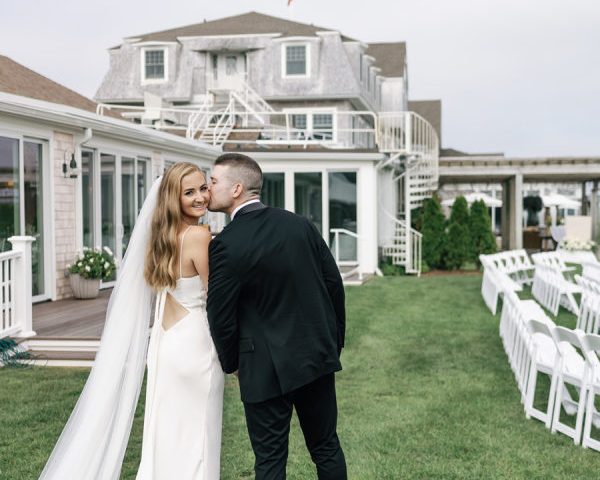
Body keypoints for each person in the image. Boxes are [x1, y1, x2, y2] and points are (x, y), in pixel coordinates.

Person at [39, 162, 224, 480]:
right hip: (196, 343)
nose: (200, 197)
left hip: (166, 344)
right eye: (189, 192)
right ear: (172, 198)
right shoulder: (198, 235)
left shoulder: (161, 239)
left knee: (165, 432)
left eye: (203, 188)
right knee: (199, 435)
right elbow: (218, 298)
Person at [206, 153, 347, 480]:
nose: (208, 188)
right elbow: (333, 284)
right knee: (326, 447)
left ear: (237, 187)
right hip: (315, 356)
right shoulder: (299, 224)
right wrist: (333, 342)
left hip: (263, 367)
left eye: (213, 181)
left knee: (269, 461)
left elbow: (220, 314)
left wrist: (232, 364)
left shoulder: (226, 244)